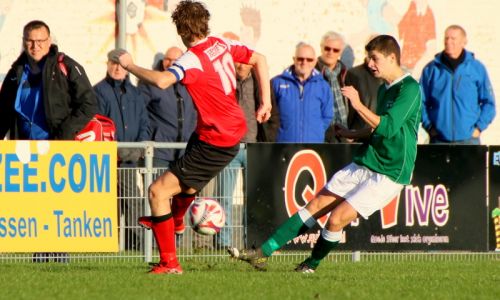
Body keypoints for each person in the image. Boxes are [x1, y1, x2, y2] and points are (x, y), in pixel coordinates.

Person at [229, 35, 422, 273]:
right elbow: (376, 130)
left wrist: (358, 104)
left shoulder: (410, 89)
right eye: (369, 58)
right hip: (369, 159)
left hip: (390, 172)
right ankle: (262, 253)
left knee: (336, 218)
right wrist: (352, 132)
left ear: (392, 57)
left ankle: (310, 265)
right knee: (316, 204)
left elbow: (388, 127)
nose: (370, 64)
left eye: (375, 58)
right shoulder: (385, 89)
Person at [116, 0, 271, 274]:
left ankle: (169, 263)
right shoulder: (220, 43)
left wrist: (129, 65)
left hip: (216, 140)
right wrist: (265, 102)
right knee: (186, 186)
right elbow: (260, 58)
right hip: (219, 132)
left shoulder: (191, 58)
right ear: (205, 23)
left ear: (182, 30)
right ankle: (174, 219)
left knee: (157, 191)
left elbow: (163, 81)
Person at [0, 20, 97, 263]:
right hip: (24, 150)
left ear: (49, 41)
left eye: (40, 41)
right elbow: (3, 112)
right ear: (24, 42)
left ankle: (59, 259)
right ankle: (39, 259)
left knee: (56, 206)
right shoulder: (15, 72)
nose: (35, 46)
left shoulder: (65, 66)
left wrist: (65, 133)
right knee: (33, 207)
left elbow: (88, 104)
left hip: (56, 148)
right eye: (30, 41)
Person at [215, 62, 278, 248]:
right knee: (224, 198)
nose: (241, 65)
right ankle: (222, 245)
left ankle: (252, 243)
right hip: (229, 149)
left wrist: (267, 142)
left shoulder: (262, 84)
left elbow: (274, 116)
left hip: (255, 148)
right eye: (237, 61)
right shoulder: (224, 83)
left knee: (254, 200)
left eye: (245, 61)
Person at [93, 49, 150, 251]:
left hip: (129, 159)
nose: (117, 68)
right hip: (107, 159)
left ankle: (135, 246)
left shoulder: (136, 93)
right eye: (113, 63)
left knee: (132, 202)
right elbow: (97, 124)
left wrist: (139, 149)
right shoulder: (98, 91)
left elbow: (144, 123)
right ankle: (106, 246)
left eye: (121, 64)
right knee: (108, 204)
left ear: (127, 68)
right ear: (107, 65)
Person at [420, 25, 496, 144]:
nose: (449, 42)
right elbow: (419, 102)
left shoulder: (476, 68)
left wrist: (478, 128)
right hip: (439, 141)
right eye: (446, 38)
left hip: (469, 141)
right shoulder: (431, 70)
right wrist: (429, 126)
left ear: (463, 42)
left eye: (453, 38)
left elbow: (489, 103)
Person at [138, 46, 197, 170]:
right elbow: (138, 114)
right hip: (159, 153)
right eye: (167, 59)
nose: (170, 63)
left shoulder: (191, 83)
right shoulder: (151, 83)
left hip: (186, 153)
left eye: (175, 60)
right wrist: (143, 142)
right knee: (156, 189)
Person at [272, 42, 333, 143]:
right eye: (300, 58)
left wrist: (316, 132)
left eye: (309, 59)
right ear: (294, 59)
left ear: (315, 61)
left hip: (312, 146)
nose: (304, 62)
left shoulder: (323, 86)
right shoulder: (277, 83)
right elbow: (270, 115)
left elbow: (327, 116)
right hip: (283, 146)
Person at [316, 31, 349, 143]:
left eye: (335, 50)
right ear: (321, 48)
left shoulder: (346, 74)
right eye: (327, 48)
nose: (331, 52)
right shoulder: (312, 72)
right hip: (320, 136)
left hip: (344, 135)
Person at [345, 53, 383, 131]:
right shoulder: (354, 74)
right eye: (371, 57)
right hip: (359, 132)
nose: (371, 63)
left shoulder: (391, 78)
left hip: (380, 132)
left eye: (375, 58)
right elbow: (349, 108)